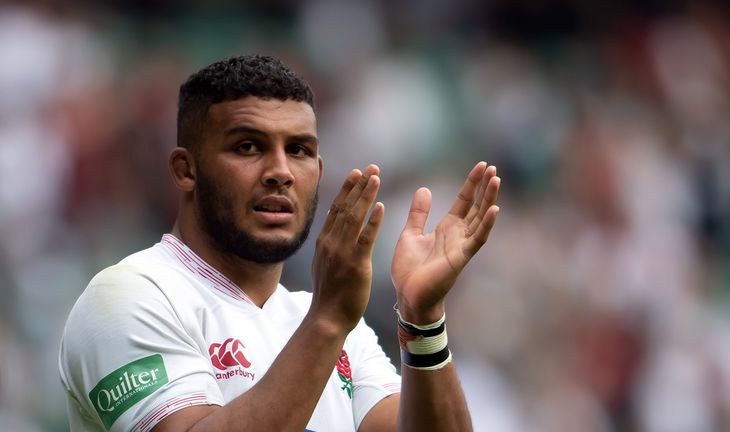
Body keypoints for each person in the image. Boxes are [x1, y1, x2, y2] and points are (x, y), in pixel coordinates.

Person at [59, 54, 501, 431]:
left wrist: (422, 321)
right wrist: (328, 320)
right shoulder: (129, 297)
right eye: (248, 147)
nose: (280, 171)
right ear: (184, 170)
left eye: (299, 150)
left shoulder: (335, 328)